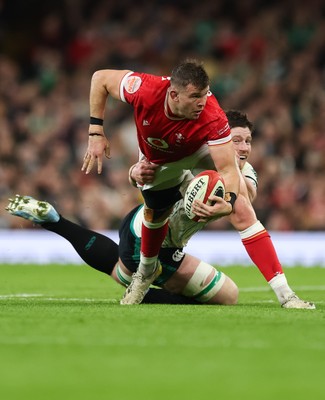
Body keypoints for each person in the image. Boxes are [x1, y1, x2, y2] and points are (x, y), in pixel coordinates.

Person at [6, 110, 315, 309]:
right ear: (220, 140)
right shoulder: (191, 155)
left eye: (248, 140)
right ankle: (59, 224)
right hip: (148, 232)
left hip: (170, 246)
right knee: (133, 274)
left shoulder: (245, 173)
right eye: (236, 140)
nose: (245, 148)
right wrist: (134, 173)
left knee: (124, 270)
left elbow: (248, 198)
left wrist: (231, 194)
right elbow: (147, 172)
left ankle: (56, 221)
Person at [81, 59, 241, 305]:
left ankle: (281, 286)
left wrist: (229, 203)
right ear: (174, 94)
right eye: (195, 96)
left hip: (198, 150)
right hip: (158, 160)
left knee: (240, 174)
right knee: (156, 213)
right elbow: (100, 78)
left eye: (206, 93)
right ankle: (146, 271)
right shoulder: (145, 90)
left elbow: (228, 170)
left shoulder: (213, 116)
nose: (203, 101)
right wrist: (96, 132)